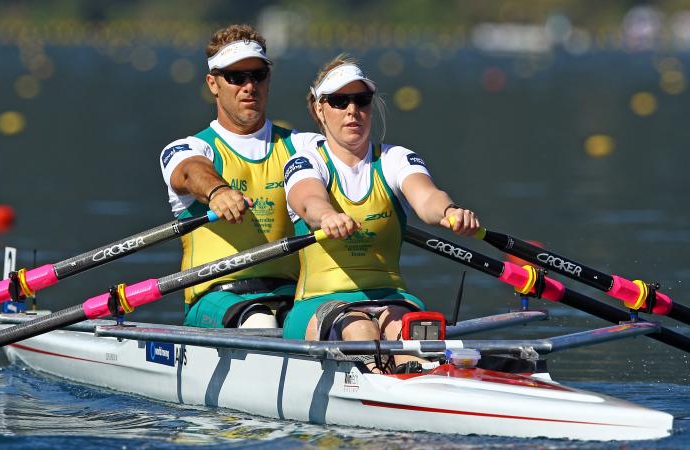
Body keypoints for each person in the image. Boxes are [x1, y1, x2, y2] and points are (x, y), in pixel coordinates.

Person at [282, 55, 480, 373]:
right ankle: (382, 383)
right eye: (339, 100)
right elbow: (308, 200)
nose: (352, 110)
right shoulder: (305, 162)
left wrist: (448, 210)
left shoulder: (394, 159)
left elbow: (426, 195)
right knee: (360, 330)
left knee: (412, 331)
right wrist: (326, 216)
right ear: (320, 109)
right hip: (318, 304)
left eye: (361, 100)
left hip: (393, 299)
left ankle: (419, 377)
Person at [159, 24, 320, 329]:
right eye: (236, 77)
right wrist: (217, 191)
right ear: (213, 84)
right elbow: (191, 172)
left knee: (330, 321)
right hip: (215, 297)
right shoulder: (191, 148)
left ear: (268, 79)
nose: (249, 86)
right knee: (260, 323)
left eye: (257, 75)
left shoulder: (301, 145)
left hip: (290, 294)